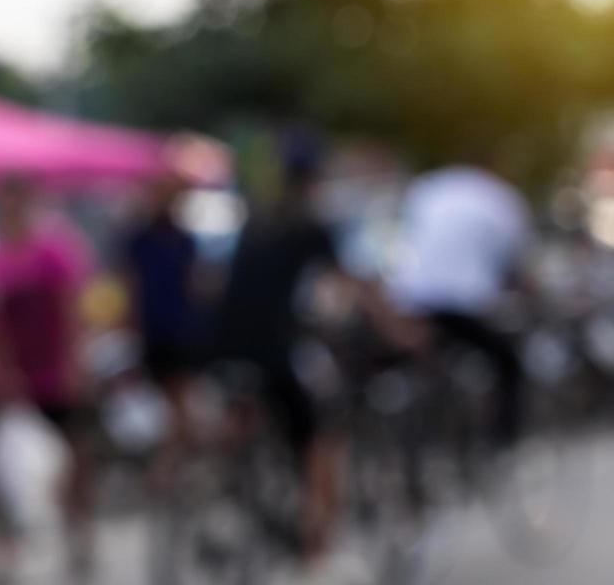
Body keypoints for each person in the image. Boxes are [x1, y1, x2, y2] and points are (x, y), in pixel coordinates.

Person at [211, 137, 414, 561]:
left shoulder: (257, 218)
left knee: (251, 415)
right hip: (271, 345)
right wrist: (395, 329)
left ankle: (230, 486)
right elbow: (351, 285)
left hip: (223, 343)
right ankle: (315, 540)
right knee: (323, 433)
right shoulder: (309, 225)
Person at [0, 176, 96, 585]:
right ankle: (4, 547)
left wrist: (73, 363)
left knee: (71, 457)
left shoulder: (53, 250)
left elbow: (72, 311)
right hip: (12, 378)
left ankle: (78, 534)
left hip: (53, 372)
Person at [389, 158, 533, 451]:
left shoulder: (428, 187)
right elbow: (514, 263)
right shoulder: (501, 198)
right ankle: (502, 439)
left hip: (410, 297)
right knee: (508, 362)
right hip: (462, 301)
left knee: (418, 358)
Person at [116, 173, 200, 487]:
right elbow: (130, 287)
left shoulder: (184, 239)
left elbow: (194, 286)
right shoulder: (139, 239)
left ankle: (170, 463)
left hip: (178, 330)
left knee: (178, 400)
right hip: (151, 331)